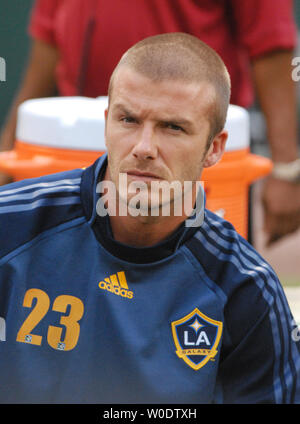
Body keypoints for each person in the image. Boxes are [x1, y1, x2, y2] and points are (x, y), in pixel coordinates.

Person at [0, 33, 299, 404]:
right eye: (128, 120)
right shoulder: (10, 227)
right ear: (107, 122)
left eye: (172, 127)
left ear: (215, 148)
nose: (143, 148)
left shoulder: (246, 291)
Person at [0, 0, 299, 246]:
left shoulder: (238, 274)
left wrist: (287, 168)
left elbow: (270, 41)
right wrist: (6, 151)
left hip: (192, 155)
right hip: (74, 146)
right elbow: (48, 45)